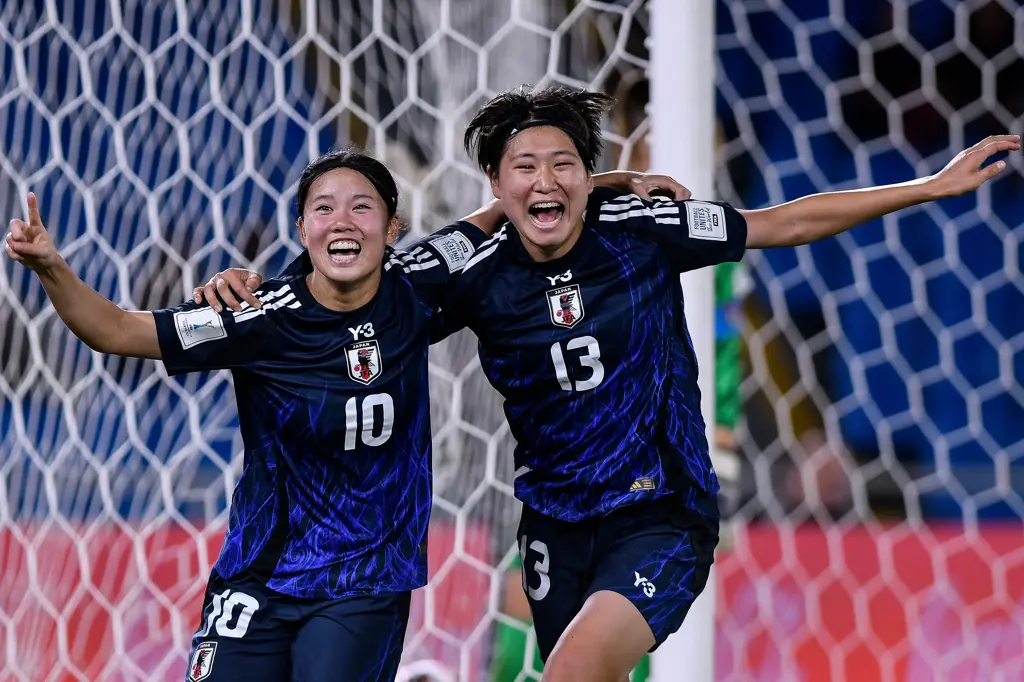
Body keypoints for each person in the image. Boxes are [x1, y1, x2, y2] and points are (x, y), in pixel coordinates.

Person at [206, 86, 1019, 682]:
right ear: (496, 185)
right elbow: (353, 298)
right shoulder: (475, 274)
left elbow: (783, 223)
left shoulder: (644, 229)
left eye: (566, 164)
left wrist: (927, 186)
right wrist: (253, 292)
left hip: (660, 511)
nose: (545, 179)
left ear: (590, 178)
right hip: (554, 525)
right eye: (524, 166)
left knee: (573, 673)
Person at [4, 150, 509, 682]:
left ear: (392, 228)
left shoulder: (418, 282)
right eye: (323, 208)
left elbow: (495, 215)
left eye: (362, 207)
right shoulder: (255, 317)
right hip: (258, 575)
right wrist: (50, 267)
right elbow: (116, 330)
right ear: (302, 229)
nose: (341, 221)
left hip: (363, 580)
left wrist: (589, 181)